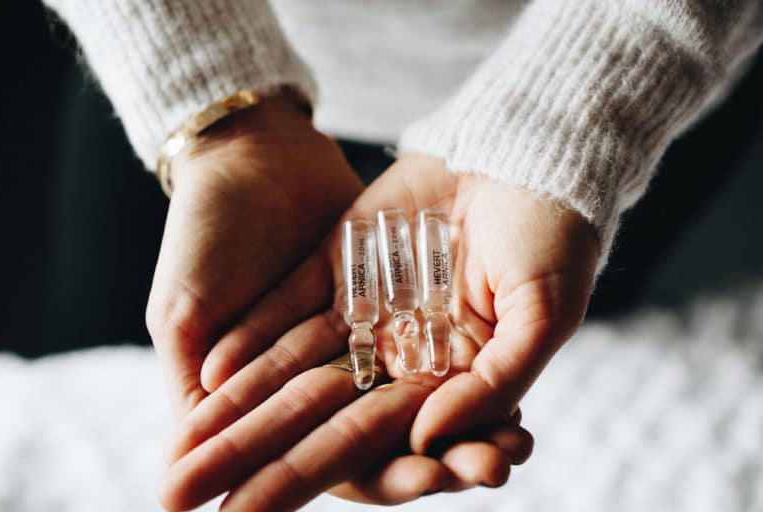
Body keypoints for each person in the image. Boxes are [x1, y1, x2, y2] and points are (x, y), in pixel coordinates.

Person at [43, 1, 763, 510]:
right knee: (99, 328)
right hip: (204, 66)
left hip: (617, 88)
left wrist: (558, 124)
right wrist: (213, 113)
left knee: (581, 330)